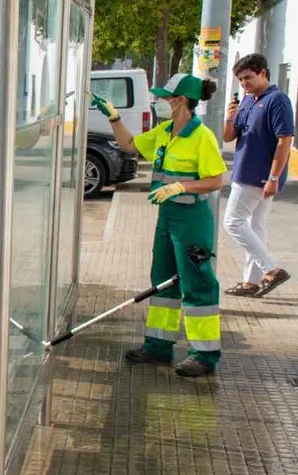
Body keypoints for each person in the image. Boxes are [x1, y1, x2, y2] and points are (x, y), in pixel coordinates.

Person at [91, 73, 226, 377]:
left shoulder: (201, 136)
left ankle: (205, 355)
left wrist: (181, 186)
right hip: (167, 219)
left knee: (197, 283)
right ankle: (158, 345)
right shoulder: (165, 131)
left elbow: (216, 180)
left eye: (165, 97)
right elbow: (129, 145)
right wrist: (114, 117)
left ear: (181, 101)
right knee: (163, 280)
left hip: (192, 220)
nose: (160, 102)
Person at [222, 53, 293, 298]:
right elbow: (228, 136)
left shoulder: (277, 100)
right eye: (241, 79)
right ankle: (250, 282)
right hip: (244, 170)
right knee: (256, 226)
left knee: (233, 222)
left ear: (263, 73)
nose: (244, 83)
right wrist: (230, 117)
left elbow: (285, 141)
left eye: (248, 77)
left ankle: (271, 270)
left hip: (258, 175)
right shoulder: (248, 100)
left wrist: (274, 177)